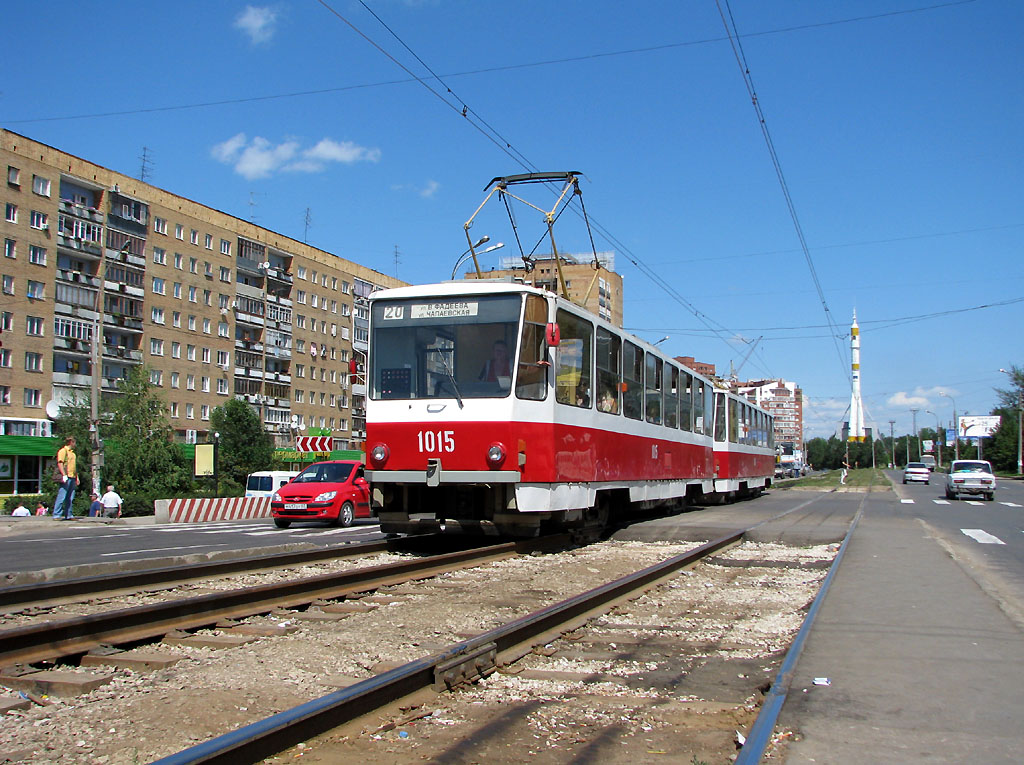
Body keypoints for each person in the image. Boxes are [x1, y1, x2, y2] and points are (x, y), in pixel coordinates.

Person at [54, 436, 78, 520]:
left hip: (72, 476)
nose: (75, 444)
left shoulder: (73, 453)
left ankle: (69, 514)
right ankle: (57, 514)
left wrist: (76, 477)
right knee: (62, 496)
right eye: (74, 442)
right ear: (71, 442)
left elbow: (74, 467)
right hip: (66, 476)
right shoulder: (63, 451)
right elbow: (60, 463)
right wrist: (64, 475)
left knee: (70, 497)